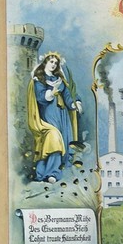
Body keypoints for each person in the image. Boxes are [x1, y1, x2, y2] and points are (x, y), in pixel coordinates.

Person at [24, 52, 82, 183]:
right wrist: (51, 92)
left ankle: (56, 172)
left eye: (56, 63)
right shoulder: (39, 80)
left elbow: (68, 95)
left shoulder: (60, 80)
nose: (53, 65)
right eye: (51, 62)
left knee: (64, 141)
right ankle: (50, 172)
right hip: (48, 114)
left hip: (62, 115)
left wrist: (75, 103)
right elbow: (40, 98)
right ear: (45, 62)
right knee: (53, 138)